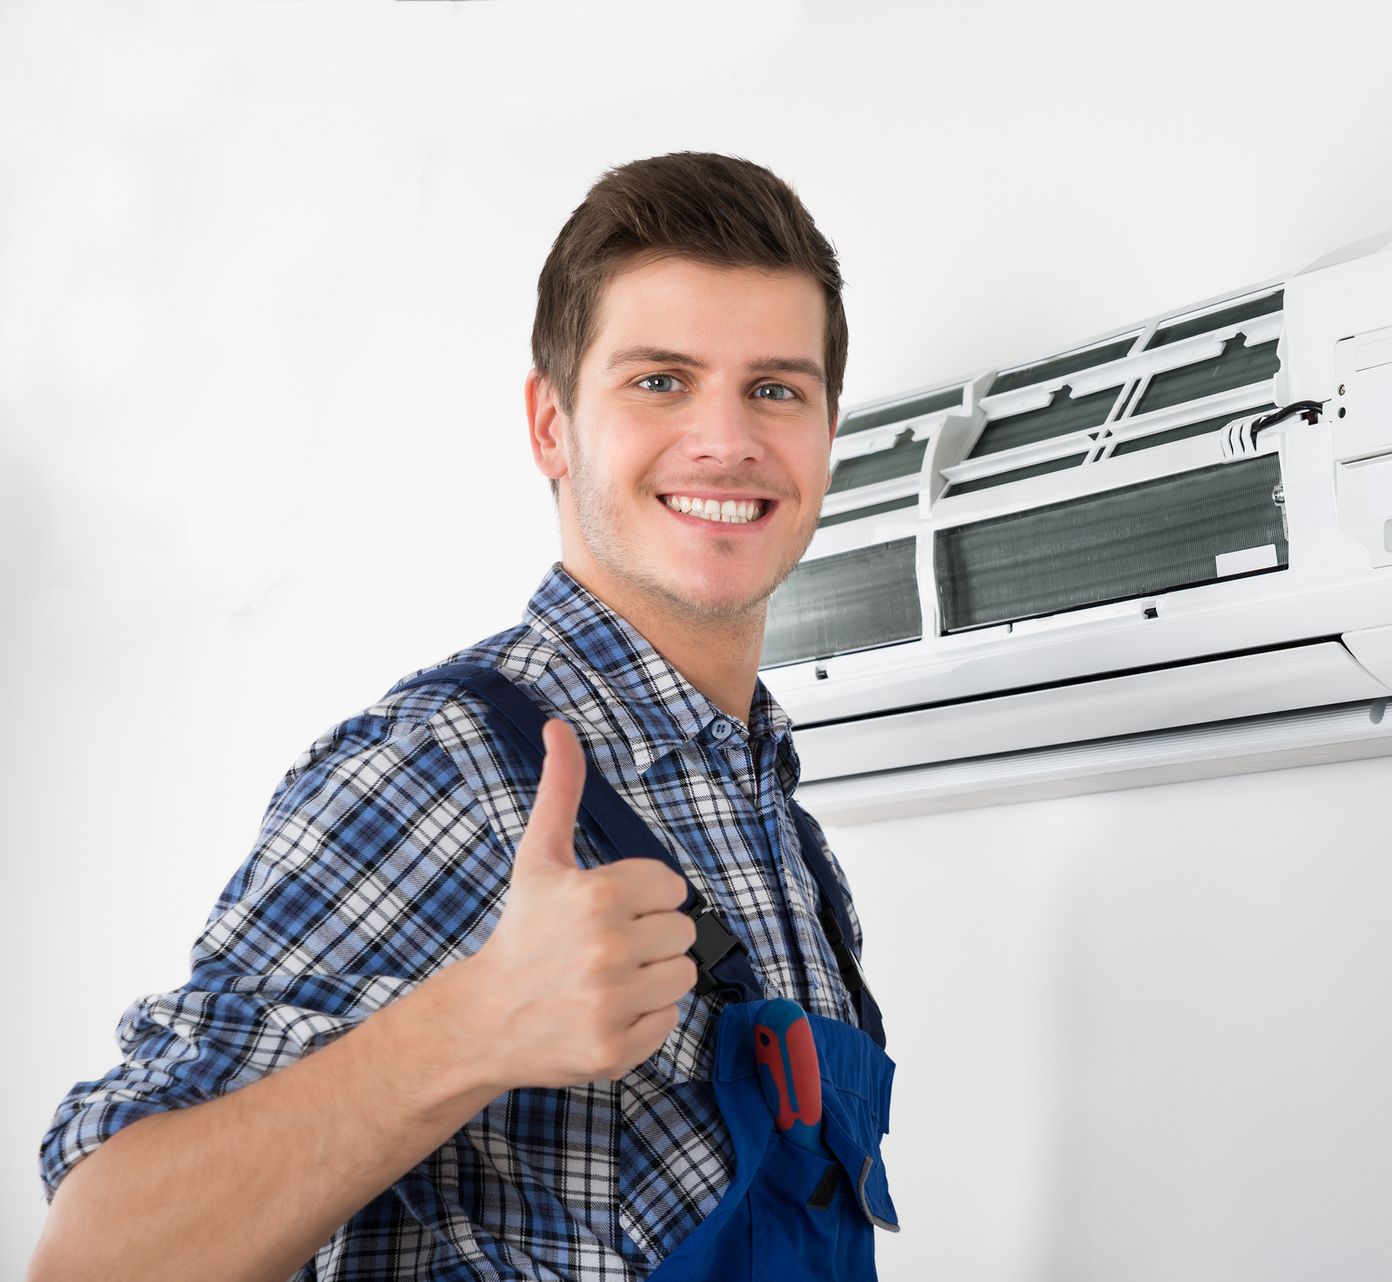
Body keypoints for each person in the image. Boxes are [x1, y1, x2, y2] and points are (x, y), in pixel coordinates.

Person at [30, 152, 897, 1281]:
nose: (726, 440)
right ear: (550, 424)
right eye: (659, 381)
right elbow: (93, 1256)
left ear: (826, 432)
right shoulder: (448, 767)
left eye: (774, 388)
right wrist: (468, 1027)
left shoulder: (772, 809)